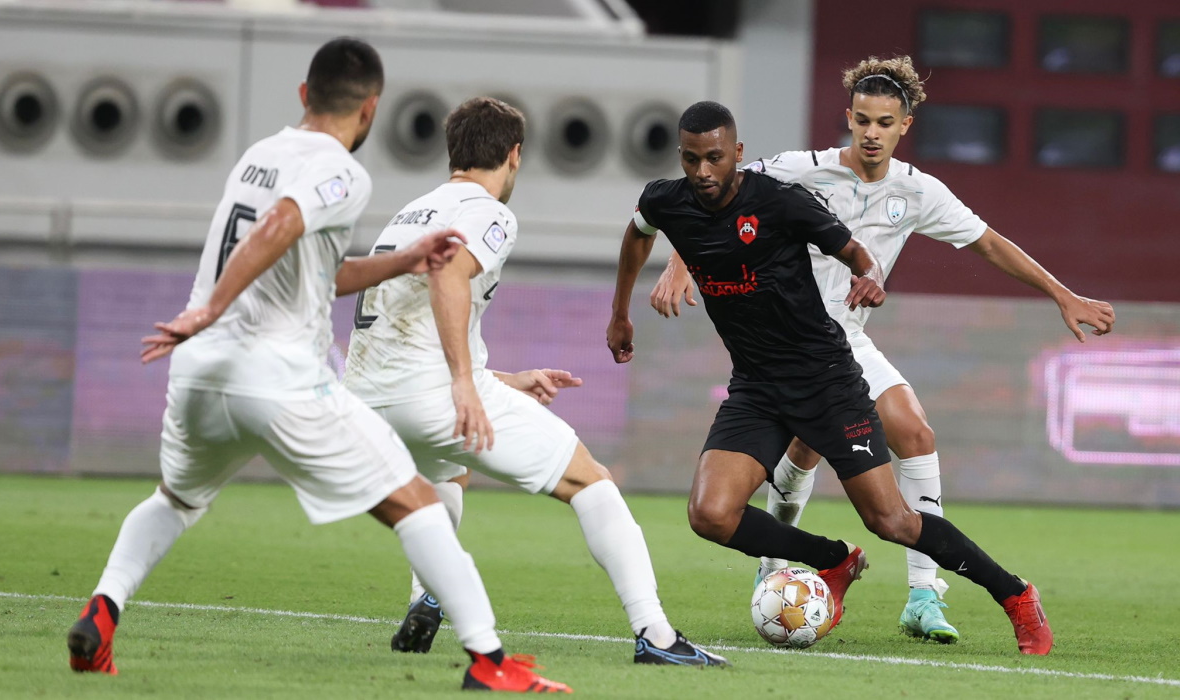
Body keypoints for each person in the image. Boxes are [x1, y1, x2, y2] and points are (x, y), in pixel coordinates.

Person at [66, 38, 570, 693]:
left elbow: (319, 271)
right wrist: (210, 307)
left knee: (176, 498)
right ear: (370, 109)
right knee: (419, 503)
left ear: (304, 95)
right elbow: (280, 223)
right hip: (275, 379)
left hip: (198, 376)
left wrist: (404, 257)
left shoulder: (258, 155)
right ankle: (488, 661)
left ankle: (103, 611)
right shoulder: (342, 172)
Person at [649, 57, 1114, 645]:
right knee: (792, 459)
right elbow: (708, 195)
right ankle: (787, 565)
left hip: (843, 345)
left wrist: (1061, 294)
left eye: (885, 122)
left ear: (904, 126)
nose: (871, 132)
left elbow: (989, 244)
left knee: (911, 435)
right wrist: (679, 261)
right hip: (779, 351)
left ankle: (926, 594)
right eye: (862, 120)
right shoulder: (799, 171)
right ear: (847, 118)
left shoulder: (918, 192)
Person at [342, 96, 726, 667]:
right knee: (592, 482)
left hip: (368, 400)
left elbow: (407, 331)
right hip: (429, 395)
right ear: (514, 154)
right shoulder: (490, 212)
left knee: (451, 465)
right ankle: (656, 635)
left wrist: (500, 378)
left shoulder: (411, 214)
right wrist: (466, 386)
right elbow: (450, 274)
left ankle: (426, 597)